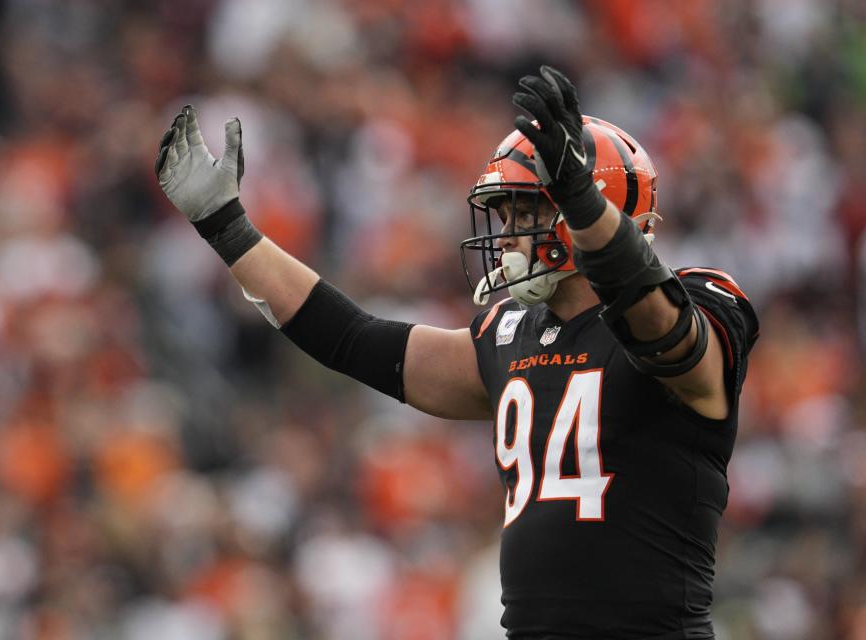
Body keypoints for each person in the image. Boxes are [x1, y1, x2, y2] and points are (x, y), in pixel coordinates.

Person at [154, 66, 759, 639]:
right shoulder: (511, 334)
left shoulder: (701, 302)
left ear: (582, 210)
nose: (506, 234)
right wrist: (228, 229)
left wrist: (582, 200)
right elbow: (354, 340)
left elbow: (665, 334)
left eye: (523, 211)